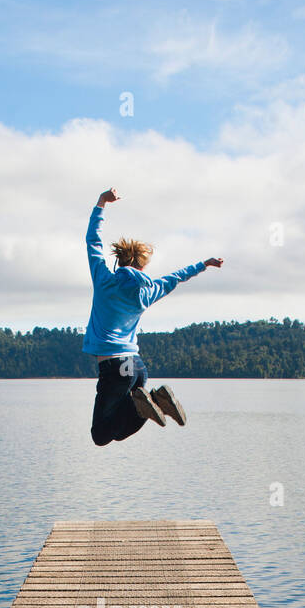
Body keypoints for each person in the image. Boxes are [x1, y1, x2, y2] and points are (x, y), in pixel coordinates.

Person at [83, 188, 223, 446]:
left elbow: (93, 241)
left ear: (120, 261)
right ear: (142, 267)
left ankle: (147, 405)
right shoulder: (147, 291)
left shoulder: (104, 280)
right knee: (119, 423)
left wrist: (102, 203)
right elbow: (175, 278)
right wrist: (203, 264)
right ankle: (155, 401)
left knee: (101, 435)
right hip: (136, 367)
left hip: (114, 367)